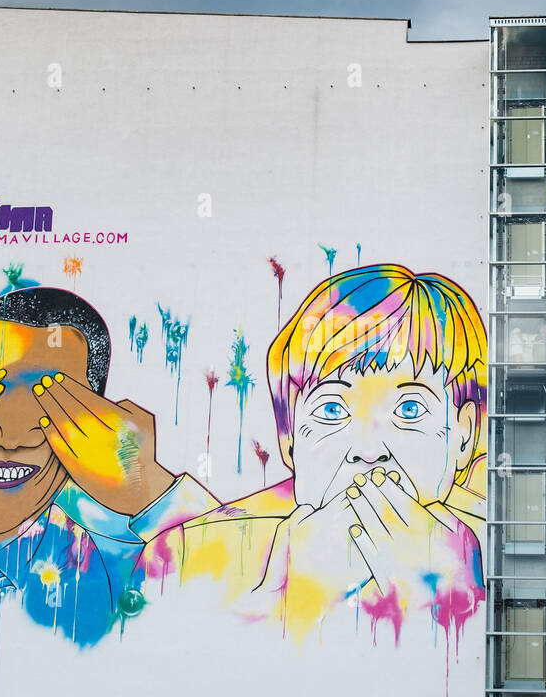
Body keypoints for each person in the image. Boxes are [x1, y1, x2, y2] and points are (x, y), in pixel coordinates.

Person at [133, 264, 488, 645]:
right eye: (333, 410)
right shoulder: (186, 556)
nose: (369, 452)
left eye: (409, 410)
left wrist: (454, 602)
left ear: (463, 434)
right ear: (288, 439)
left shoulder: (509, 549)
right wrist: (287, 599)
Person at [0, 287, 216, 648]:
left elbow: (241, 607)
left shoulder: (130, 570)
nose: (11, 438)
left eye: (53, 406)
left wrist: (150, 489)